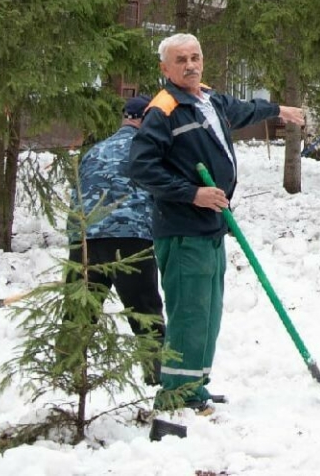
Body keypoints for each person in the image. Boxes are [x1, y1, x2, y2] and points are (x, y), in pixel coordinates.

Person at [129, 33, 305, 413]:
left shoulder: (208, 99)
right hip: (182, 227)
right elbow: (141, 168)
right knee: (189, 312)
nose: (190, 65)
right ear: (165, 68)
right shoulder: (164, 109)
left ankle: (196, 383)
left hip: (211, 226)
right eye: (181, 60)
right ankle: (175, 391)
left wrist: (279, 111)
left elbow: (242, 110)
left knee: (209, 311)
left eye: (195, 57)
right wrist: (192, 194)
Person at [69, 96, 165, 384]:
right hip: (130, 238)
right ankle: (156, 376)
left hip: (84, 240)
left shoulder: (94, 150)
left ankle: (69, 376)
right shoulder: (147, 150)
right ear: (145, 120)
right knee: (145, 311)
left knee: (79, 315)